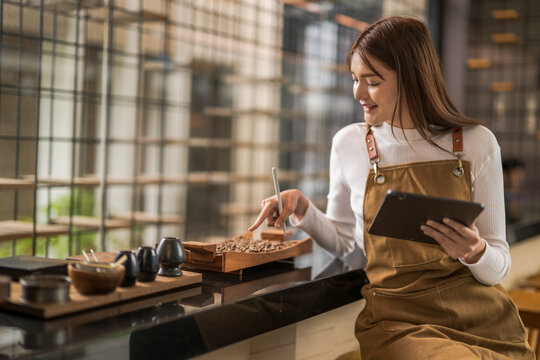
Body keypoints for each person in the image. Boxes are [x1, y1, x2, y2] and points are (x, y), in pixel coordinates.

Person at [249, 16, 534, 360]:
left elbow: (498, 266)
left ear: (413, 79)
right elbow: (344, 242)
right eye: (355, 79)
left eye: (372, 81)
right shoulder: (348, 144)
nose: (357, 93)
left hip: (480, 318)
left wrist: (475, 252)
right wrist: (302, 210)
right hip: (398, 322)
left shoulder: (476, 143)